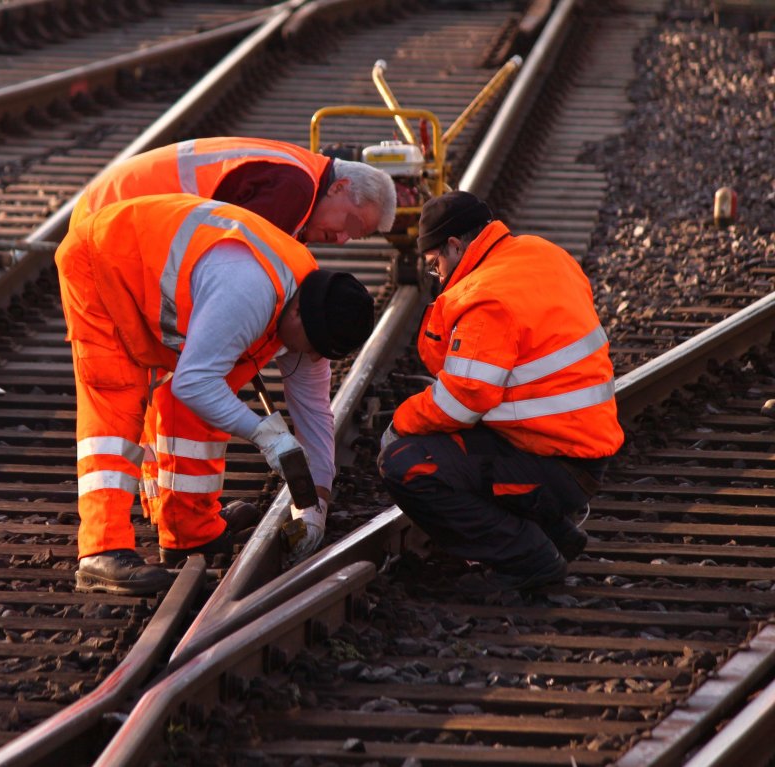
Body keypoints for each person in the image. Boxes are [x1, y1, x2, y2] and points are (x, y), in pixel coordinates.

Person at [55, 193, 375, 595]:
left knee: (200, 406)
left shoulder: (313, 310)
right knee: (117, 401)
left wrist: (315, 508)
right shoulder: (250, 294)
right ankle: (102, 550)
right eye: (310, 345)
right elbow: (194, 382)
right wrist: (264, 434)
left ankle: (189, 533)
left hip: (156, 273)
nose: (309, 356)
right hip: (103, 259)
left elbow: (315, 416)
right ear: (296, 316)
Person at [378, 191, 624, 594]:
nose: (437, 276)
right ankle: (556, 533)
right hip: (575, 447)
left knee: (405, 462)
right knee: (454, 439)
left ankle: (529, 559)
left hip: (555, 463)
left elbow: (460, 400)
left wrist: (399, 424)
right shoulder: (542, 253)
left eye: (435, 264)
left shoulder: (486, 297)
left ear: (455, 246)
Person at [68, 136, 397, 245]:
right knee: (118, 377)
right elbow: (241, 268)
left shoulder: (301, 172)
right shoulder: (295, 190)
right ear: (339, 187)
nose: (342, 239)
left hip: (112, 208)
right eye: (351, 225)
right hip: (109, 220)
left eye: (354, 237)